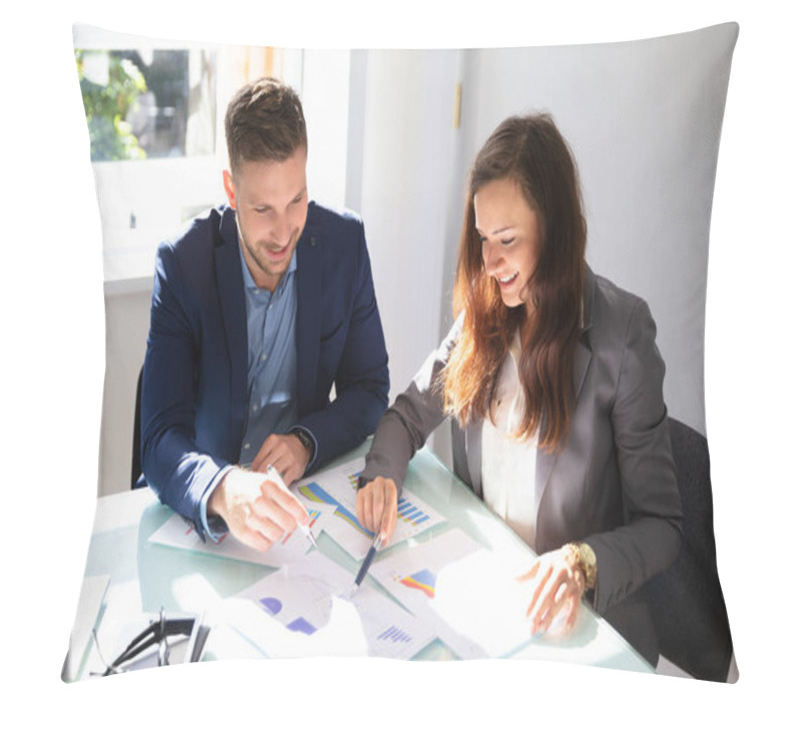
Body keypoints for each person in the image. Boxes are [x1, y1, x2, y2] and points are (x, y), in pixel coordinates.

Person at [355, 113, 682, 665]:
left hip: (577, 632)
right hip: (489, 604)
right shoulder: (485, 316)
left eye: (507, 240)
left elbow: (664, 528)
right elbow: (407, 417)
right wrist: (381, 473)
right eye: (483, 239)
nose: (489, 263)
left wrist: (582, 562)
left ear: (554, 232)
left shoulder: (621, 338)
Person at [141, 77, 390, 552]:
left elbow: (370, 389)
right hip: (207, 524)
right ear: (231, 191)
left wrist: (306, 441)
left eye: (296, 200)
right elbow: (157, 439)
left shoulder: (344, 245)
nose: (283, 232)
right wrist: (223, 487)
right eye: (262, 209)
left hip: (300, 512)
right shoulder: (182, 265)